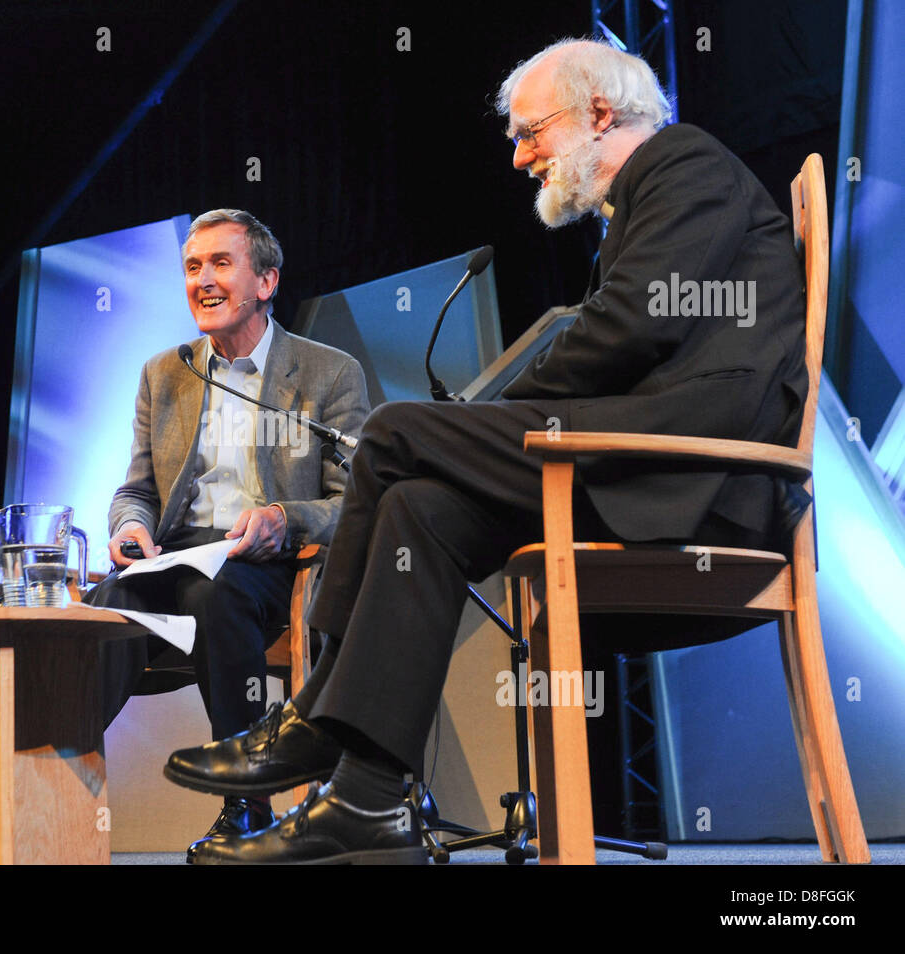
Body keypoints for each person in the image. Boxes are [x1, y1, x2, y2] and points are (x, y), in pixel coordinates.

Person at [165, 39, 810, 864]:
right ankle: (368, 801)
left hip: (702, 474)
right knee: (417, 506)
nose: (519, 156)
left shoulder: (684, 162)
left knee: (398, 434)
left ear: (600, 114)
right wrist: (473, 435)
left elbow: (629, 331)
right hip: (653, 457)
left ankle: (315, 708)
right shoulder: (649, 200)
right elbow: (632, 339)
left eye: (531, 131)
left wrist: (478, 422)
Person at [90, 209, 369, 856]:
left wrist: (284, 519)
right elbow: (136, 489)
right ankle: (50, 780)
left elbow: (356, 496)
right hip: (173, 557)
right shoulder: (165, 373)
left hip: (264, 560)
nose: (202, 280)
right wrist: (130, 527)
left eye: (221, 263)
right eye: (192, 267)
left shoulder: (329, 373)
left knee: (215, 598)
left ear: (266, 282)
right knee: (103, 611)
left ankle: (247, 806)